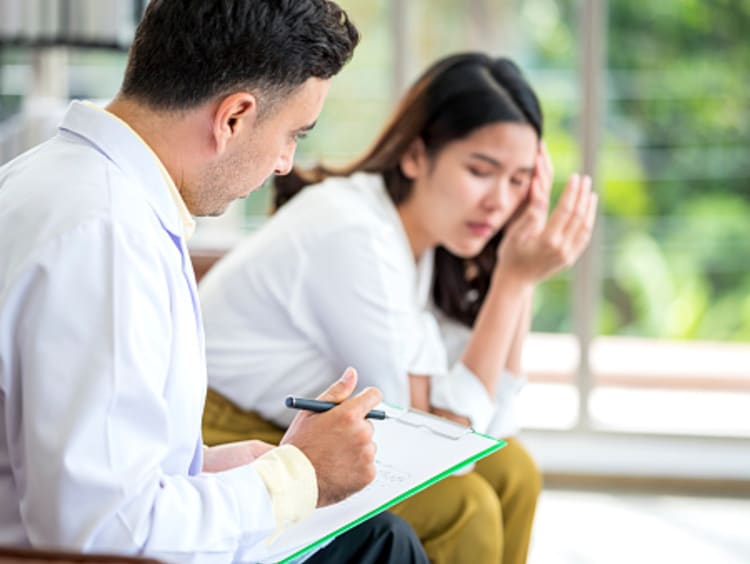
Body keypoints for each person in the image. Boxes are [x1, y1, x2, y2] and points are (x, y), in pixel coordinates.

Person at [0, 1, 429, 563]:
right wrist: (295, 476)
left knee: (377, 540)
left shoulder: (50, 179)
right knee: (382, 547)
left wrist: (217, 467)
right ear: (234, 117)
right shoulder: (107, 237)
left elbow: (85, 459)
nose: (283, 163)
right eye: (291, 135)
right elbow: (101, 536)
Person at [199, 52, 598, 564]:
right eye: (481, 170)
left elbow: (488, 427)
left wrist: (516, 275)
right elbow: (437, 448)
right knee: (465, 505)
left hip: (301, 425)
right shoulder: (355, 233)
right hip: (232, 433)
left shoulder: (418, 244)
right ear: (414, 156)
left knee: (513, 470)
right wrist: (513, 283)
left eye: (519, 181)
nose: (500, 201)